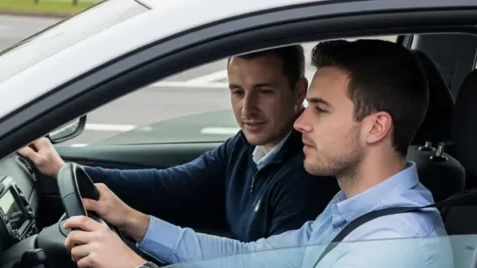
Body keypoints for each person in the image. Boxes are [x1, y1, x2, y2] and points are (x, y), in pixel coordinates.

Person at [61, 39, 455, 268]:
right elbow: (248, 261)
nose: (301, 122)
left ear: (376, 127)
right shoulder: (352, 210)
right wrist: (134, 223)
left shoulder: (389, 246)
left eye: (320, 109)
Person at [20, 45, 341, 244]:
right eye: (237, 92)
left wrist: (137, 260)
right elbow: (170, 186)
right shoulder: (245, 147)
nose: (248, 109)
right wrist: (64, 170)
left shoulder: (306, 174)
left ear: (299, 91)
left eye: (264, 91)